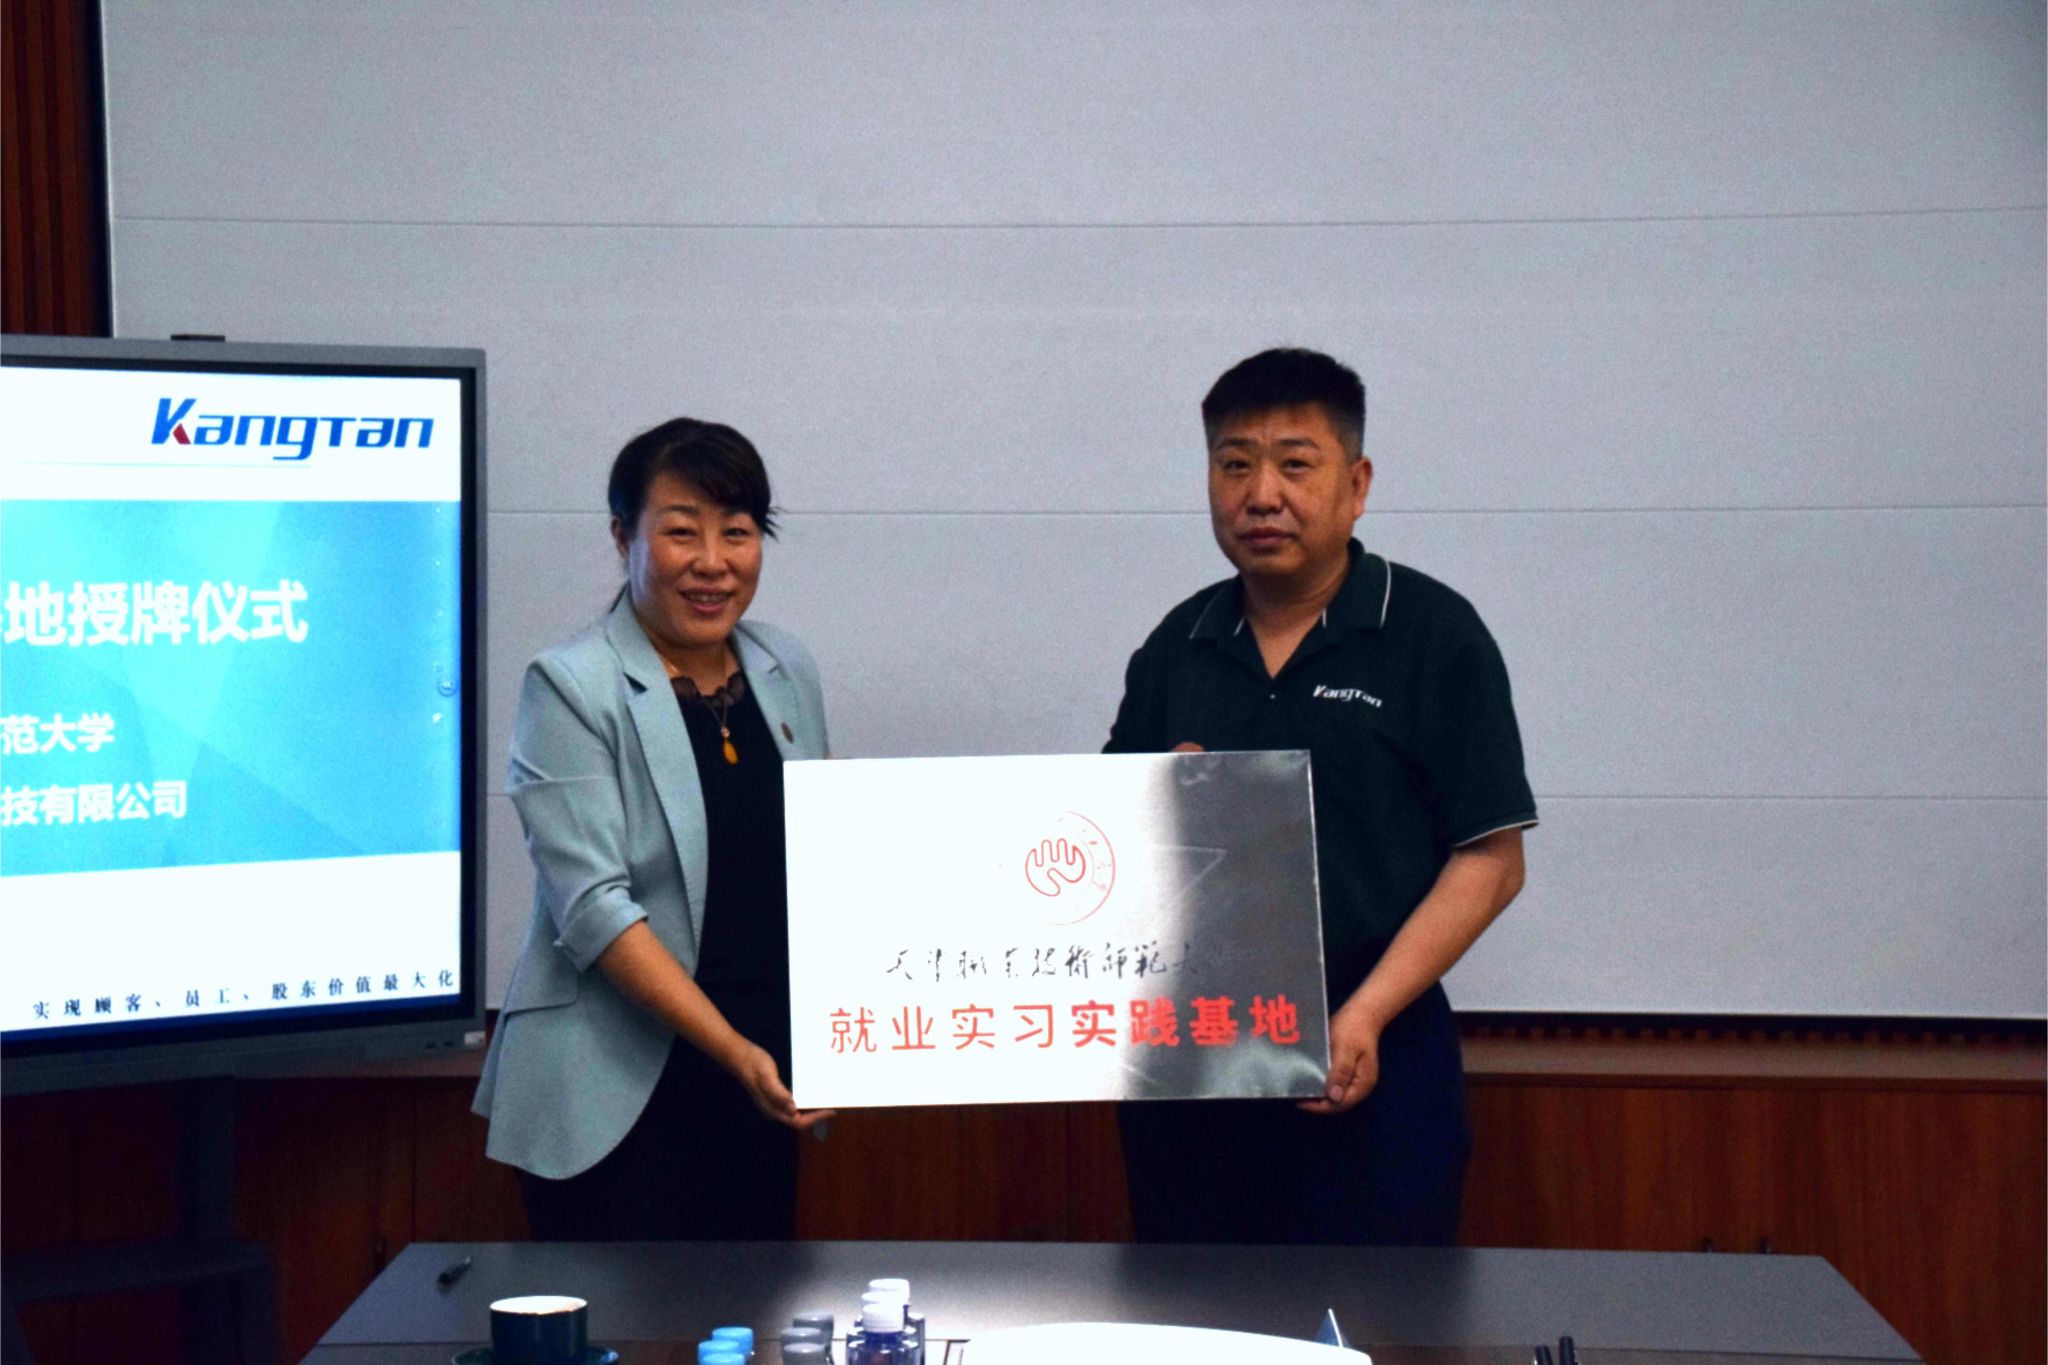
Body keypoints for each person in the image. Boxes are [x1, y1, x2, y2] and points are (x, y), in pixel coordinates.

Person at [1106, 348, 1535, 1245]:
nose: (1261, 494)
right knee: (1189, 1313)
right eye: (1234, 464)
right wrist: (1153, 801)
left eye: (1295, 464)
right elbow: (1109, 855)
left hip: (1375, 1056)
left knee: (1379, 1312)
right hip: (1191, 1073)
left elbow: (1491, 860)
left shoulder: (1432, 633)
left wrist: (1366, 1013)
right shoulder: (1180, 642)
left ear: (1357, 483)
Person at [472, 416, 832, 1241]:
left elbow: (820, 850)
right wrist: (733, 1049)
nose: (712, 561)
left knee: (752, 1309)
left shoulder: (785, 667)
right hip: (615, 1094)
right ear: (623, 537)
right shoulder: (570, 684)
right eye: (680, 531)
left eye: (737, 531)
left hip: (760, 1082)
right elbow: (595, 913)